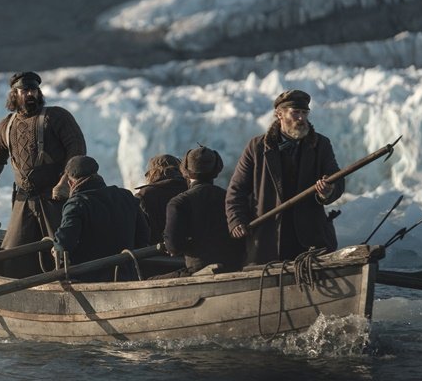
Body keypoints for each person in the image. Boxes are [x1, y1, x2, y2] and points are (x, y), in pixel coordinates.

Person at [0, 71, 86, 277]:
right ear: (14, 94)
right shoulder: (6, 125)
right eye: (25, 90)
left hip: (55, 198)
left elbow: (77, 149)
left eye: (33, 90)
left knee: (64, 253)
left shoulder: (56, 117)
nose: (30, 94)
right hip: (24, 200)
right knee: (12, 256)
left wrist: (65, 181)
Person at [225, 90, 344, 264]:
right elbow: (236, 190)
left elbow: (338, 180)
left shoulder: (321, 144)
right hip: (268, 240)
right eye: (295, 113)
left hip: (310, 239)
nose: (302, 118)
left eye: (304, 113)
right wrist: (236, 220)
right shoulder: (257, 147)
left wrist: (327, 191)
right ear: (279, 114)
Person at [53, 156, 150, 282]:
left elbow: (63, 245)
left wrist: (55, 248)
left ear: (71, 183)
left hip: (89, 281)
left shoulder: (76, 204)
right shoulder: (126, 196)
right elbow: (143, 236)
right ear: (97, 174)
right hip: (126, 276)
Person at [162, 146, 244, 275]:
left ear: (186, 171)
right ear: (216, 170)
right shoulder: (230, 199)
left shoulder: (178, 203)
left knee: (151, 280)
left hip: (198, 271)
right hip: (234, 266)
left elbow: (173, 246)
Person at [135, 154, 190, 245]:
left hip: (154, 255)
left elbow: (142, 232)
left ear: (152, 173)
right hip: (191, 254)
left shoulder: (144, 195)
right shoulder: (190, 189)